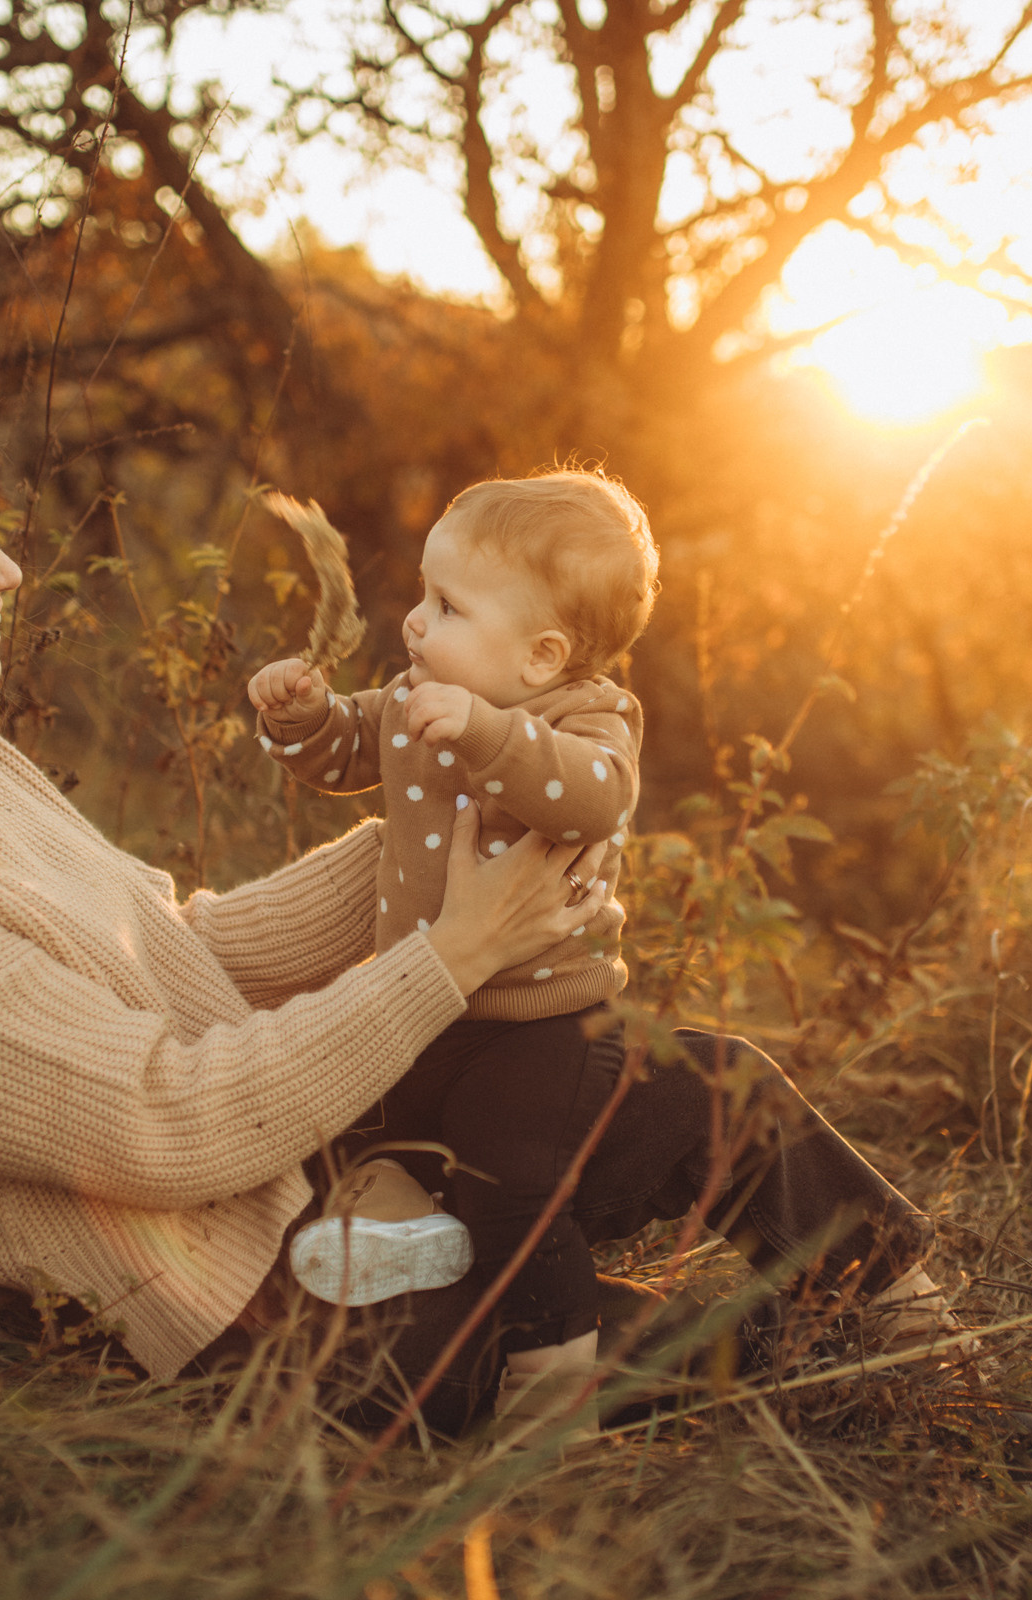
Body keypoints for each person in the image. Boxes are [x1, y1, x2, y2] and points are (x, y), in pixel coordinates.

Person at [0, 363, 958, 1440]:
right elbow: (168, 1122)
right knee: (638, 1341)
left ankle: (915, 1315)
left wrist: (429, 852)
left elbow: (167, 951)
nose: (10, 571)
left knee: (711, 1089)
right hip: (269, 1307)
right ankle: (912, 1398)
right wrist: (455, 951)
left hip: (306, 1172)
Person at [246, 471, 656, 1417]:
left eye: (448, 607)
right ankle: (411, 1234)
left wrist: (486, 733)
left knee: (513, 1179)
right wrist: (302, 718)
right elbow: (348, 751)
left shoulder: (586, 718)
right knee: (358, 1132)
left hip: (539, 1020)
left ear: (543, 657)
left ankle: (553, 1376)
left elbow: (596, 796)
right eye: (425, 596)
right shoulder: (417, 696)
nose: (415, 623)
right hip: (425, 1000)